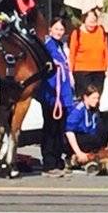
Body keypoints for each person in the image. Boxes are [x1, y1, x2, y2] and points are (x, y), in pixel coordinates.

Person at [38, 17, 74, 178]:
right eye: (56, 29)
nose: (59, 32)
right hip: (52, 94)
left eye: (61, 29)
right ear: (50, 29)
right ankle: (48, 162)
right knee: (51, 128)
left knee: (60, 129)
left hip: (64, 94)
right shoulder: (47, 46)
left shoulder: (61, 46)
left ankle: (57, 160)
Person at [64, 85, 108, 168]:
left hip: (88, 137)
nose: (96, 101)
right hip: (74, 139)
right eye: (93, 98)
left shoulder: (94, 110)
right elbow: (69, 131)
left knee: (104, 129)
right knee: (92, 139)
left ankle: (93, 155)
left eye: (97, 98)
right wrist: (78, 152)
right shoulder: (78, 109)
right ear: (85, 97)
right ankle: (75, 156)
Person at [69, 9, 108, 98]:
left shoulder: (101, 31)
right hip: (82, 71)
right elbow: (72, 54)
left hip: (99, 70)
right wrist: (70, 71)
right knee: (85, 97)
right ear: (84, 20)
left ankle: (96, 112)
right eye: (90, 22)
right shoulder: (77, 33)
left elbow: (106, 51)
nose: (92, 25)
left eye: (94, 22)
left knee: (97, 97)